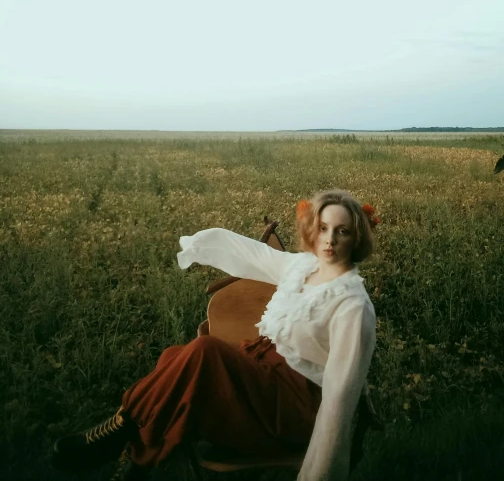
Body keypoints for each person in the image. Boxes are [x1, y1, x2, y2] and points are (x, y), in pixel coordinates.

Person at [52, 189, 380, 481]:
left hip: (293, 407)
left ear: (357, 239)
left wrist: (319, 472)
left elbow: (340, 397)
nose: (330, 240)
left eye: (342, 231)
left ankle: (122, 430)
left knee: (205, 351)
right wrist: (200, 243)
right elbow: (253, 254)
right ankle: (135, 456)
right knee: (173, 357)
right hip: (265, 375)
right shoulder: (301, 266)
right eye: (323, 228)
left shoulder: (352, 304)